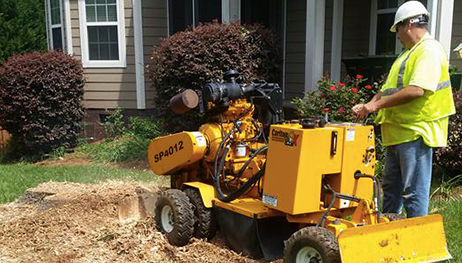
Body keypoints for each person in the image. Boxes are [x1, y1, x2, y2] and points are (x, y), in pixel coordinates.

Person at [352, 1, 456, 218]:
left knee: (413, 193)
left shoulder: (428, 51)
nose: (396, 34)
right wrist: (368, 106)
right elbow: (387, 91)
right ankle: (388, 238)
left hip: (414, 132)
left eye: (397, 28)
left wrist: (375, 106)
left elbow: (416, 90)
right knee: (391, 191)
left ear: (408, 24)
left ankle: (417, 244)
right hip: (397, 133)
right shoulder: (407, 54)